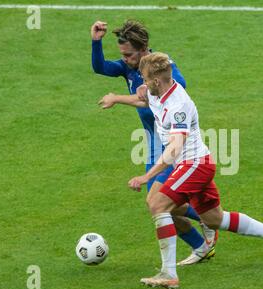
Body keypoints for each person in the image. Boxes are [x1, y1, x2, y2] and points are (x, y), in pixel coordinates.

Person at [100, 52, 263, 289]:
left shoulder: (178, 105)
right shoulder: (159, 92)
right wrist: (117, 98)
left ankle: (168, 274)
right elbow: (145, 102)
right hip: (193, 164)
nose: (142, 84)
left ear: (156, 81)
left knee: (157, 204)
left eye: (144, 79)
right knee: (215, 219)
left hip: (193, 165)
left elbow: (174, 149)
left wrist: (146, 176)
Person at [91, 20, 218, 265]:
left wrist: (144, 89)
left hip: (173, 143)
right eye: (123, 55)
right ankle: (202, 244)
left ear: (144, 49)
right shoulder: (128, 67)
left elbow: (180, 86)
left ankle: (205, 224)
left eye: (129, 55)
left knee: (159, 203)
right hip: (152, 142)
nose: (125, 59)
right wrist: (96, 41)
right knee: (161, 205)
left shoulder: (161, 68)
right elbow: (100, 67)